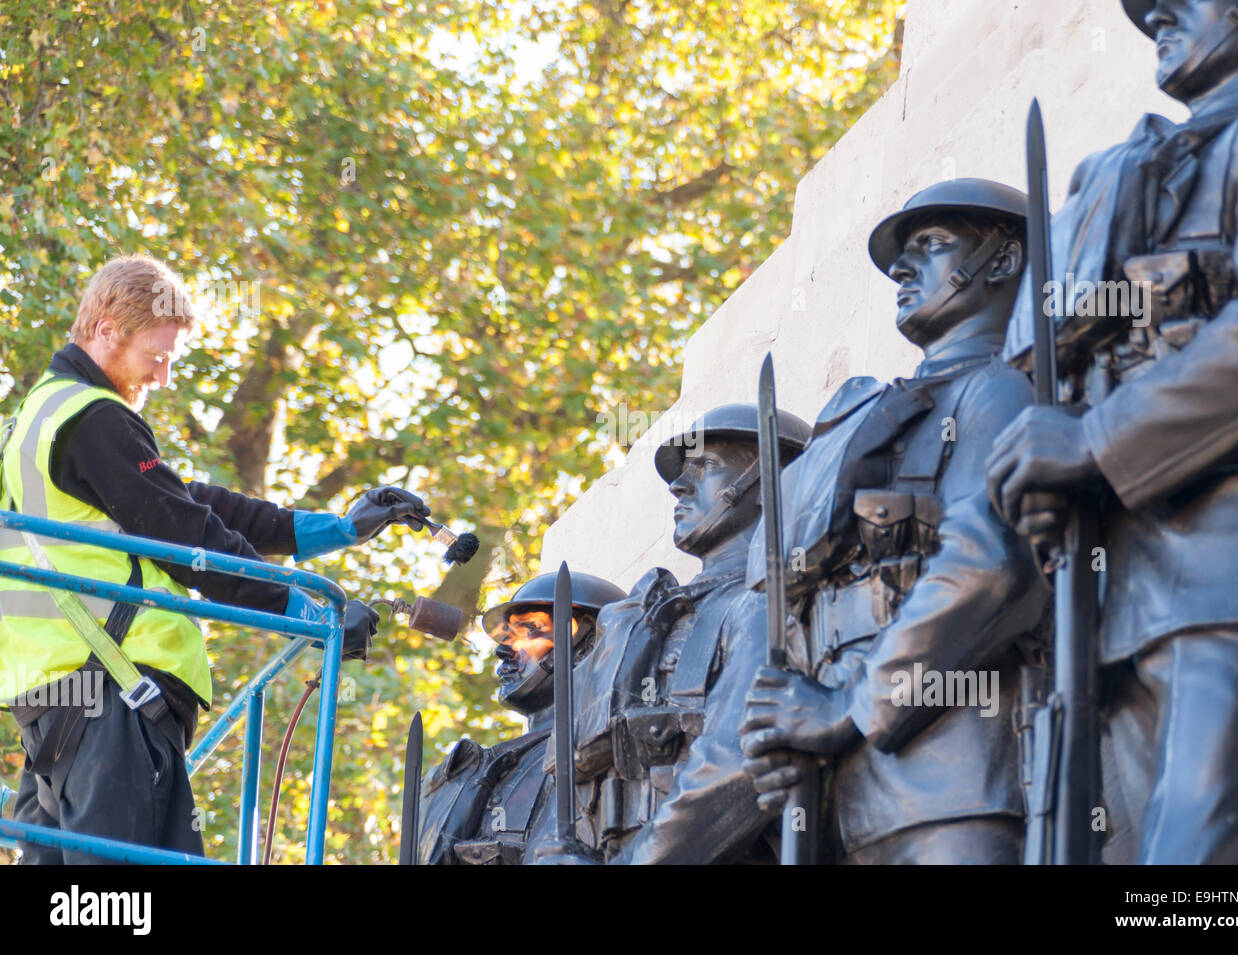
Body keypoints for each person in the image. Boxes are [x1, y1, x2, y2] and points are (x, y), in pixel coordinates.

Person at [986, 0, 1238, 863]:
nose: (1154, 12)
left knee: (1199, 874)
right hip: (1113, 599)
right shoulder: (1131, 171)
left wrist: (1096, 443)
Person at [0, 254, 429, 863]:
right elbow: (184, 534)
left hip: (54, 706)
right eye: (158, 355)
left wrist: (333, 530)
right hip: (114, 696)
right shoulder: (95, 419)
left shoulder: (41, 417)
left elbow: (181, 502)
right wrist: (305, 608)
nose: (165, 375)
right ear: (105, 330)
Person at [740, 180, 1049, 863]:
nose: (902, 270)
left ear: (1001, 261)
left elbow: (993, 563)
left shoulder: (995, 389)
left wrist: (848, 705)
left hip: (951, 782)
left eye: (931, 247)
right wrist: (782, 730)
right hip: (843, 798)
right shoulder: (888, 416)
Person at [536, 404, 811, 864]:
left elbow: (736, 760)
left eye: (706, 467)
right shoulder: (630, 627)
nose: (679, 486)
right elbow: (562, 793)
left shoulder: (764, 604)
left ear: (770, 483)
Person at [416, 571, 625, 864]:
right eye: (506, 636)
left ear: (588, 644)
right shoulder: (472, 773)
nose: (503, 650)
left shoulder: (621, 746)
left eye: (530, 630)